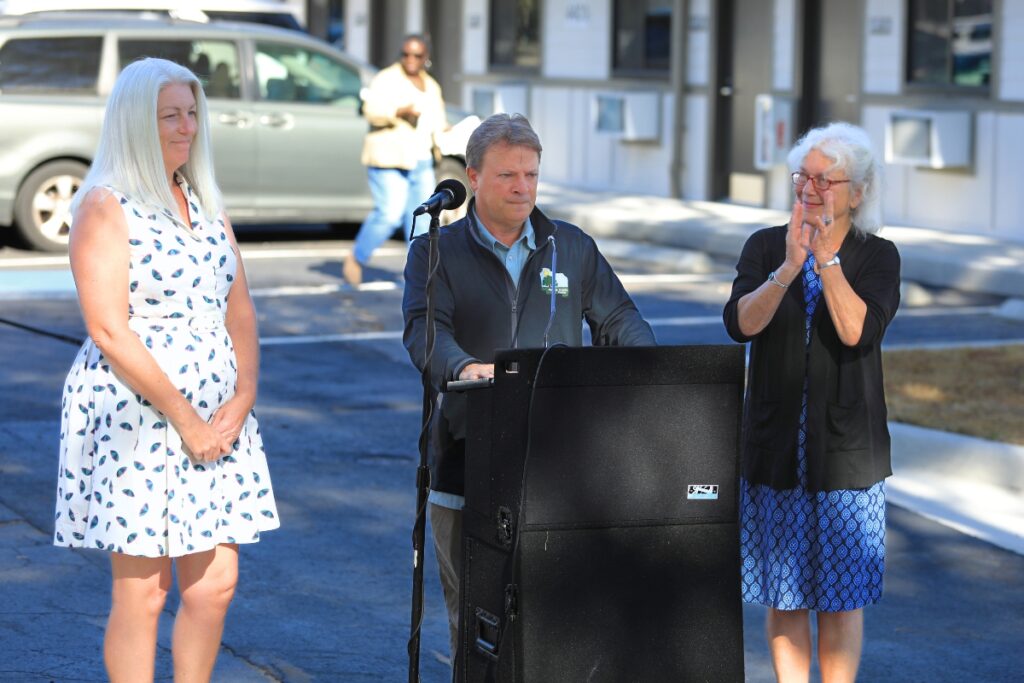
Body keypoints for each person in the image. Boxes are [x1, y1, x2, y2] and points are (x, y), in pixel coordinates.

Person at [53, 58, 279, 682]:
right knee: (144, 592)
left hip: (219, 414)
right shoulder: (105, 205)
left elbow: (240, 307)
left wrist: (245, 394)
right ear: (133, 123)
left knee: (215, 586)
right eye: (170, 115)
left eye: (192, 112)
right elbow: (107, 328)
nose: (188, 126)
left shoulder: (204, 201)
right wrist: (186, 419)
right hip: (137, 412)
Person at [402, 112, 656, 666]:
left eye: (532, 175)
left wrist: (650, 371)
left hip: (559, 465)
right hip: (465, 462)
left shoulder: (572, 248)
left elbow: (620, 320)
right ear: (472, 176)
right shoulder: (435, 252)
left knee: (557, 621)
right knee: (474, 622)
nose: (522, 188)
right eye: (507, 176)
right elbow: (425, 333)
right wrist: (467, 369)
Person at [722, 122, 900, 683]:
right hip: (776, 449)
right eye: (804, 176)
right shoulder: (764, 246)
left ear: (859, 191)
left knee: (842, 600)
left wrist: (826, 260)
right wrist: (789, 266)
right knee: (787, 593)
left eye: (827, 178)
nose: (811, 188)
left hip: (848, 455)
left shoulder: (878, 257)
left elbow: (856, 332)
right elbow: (740, 325)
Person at [343, 34, 447, 286]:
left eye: (417, 55)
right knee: (388, 214)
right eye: (405, 54)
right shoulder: (386, 79)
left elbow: (438, 122)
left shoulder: (431, 86)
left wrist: (451, 132)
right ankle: (357, 258)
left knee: (423, 220)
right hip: (389, 159)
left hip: (421, 160)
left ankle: (418, 274)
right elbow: (371, 111)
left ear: (426, 58)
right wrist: (398, 112)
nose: (410, 60)